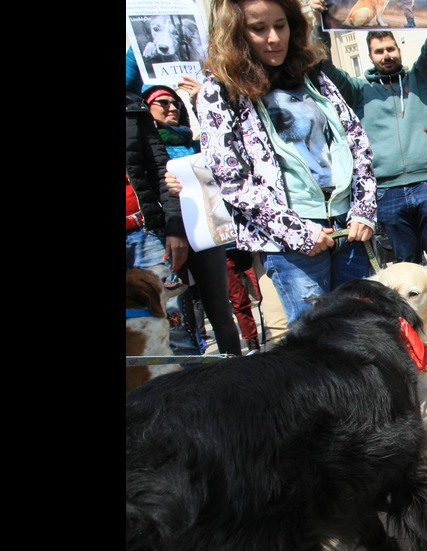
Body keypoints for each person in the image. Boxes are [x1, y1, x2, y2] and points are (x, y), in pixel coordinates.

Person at [197, 0, 377, 324]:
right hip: (293, 243)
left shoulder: (311, 74)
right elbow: (232, 179)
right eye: (258, 28)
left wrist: (363, 208)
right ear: (236, 32)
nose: (273, 38)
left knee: (366, 335)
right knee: (316, 351)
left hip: (347, 227)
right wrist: (296, 232)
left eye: (280, 25)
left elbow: (357, 141)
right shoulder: (219, 89)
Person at [308, 13, 427, 278]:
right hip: (386, 193)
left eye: (390, 49)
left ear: (399, 50)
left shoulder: (420, 79)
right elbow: (322, 65)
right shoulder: (358, 91)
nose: (386, 55)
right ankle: (415, 321)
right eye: (379, 51)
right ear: (371, 56)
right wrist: (318, 23)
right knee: (407, 271)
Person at [143, 84, 244, 356]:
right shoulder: (148, 148)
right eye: (163, 102)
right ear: (146, 108)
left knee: (221, 311)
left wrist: (200, 99)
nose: (172, 107)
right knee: (180, 316)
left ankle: (235, 372)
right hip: (166, 237)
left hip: (204, 234)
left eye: (175, 102)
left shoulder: (194, 142)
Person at [125, 91, 199, 357]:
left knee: (176, 328)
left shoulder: (132, 105)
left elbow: (161, 169)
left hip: (145, 234)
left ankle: (189, 397)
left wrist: (175, 227)